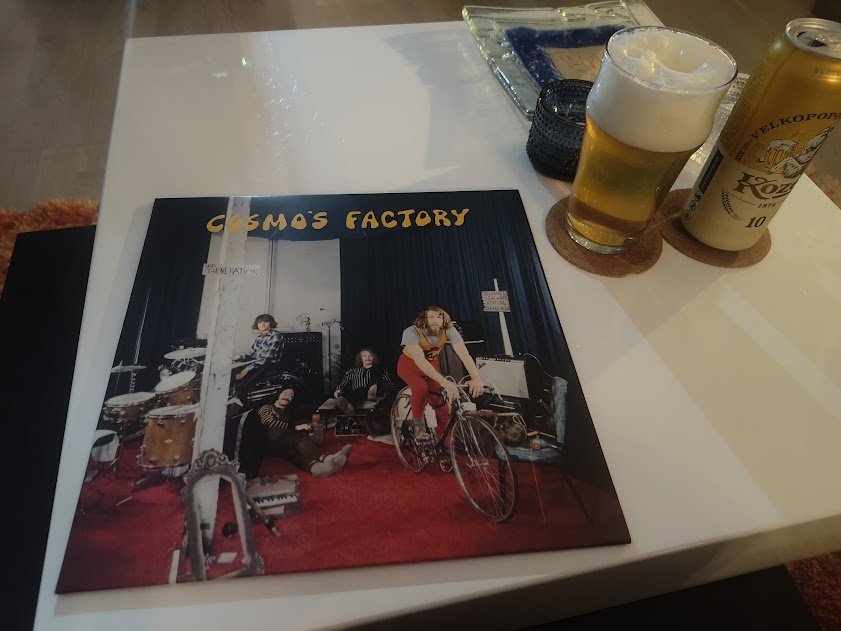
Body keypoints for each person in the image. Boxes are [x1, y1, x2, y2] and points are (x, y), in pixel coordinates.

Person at [397, 306, 484, 443]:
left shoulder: (449, 330)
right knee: (420, 388)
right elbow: (420, 360)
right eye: (431, 316)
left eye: (439, 316)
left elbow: (464, 354)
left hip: (431, 365)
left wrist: (476, 378)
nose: (435, 320)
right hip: (409, 365)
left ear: (444, 319)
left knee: (441, 402)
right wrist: (444, 382)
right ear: (423, 319)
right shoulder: (411, 331)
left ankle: (446, 443)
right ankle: (418, 427)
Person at [229, 387, 352, 479]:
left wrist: (333, 395)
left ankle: (316, 468)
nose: (287, 396)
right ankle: (327, 458)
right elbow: (269, 422)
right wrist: (295, 427)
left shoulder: (290, 411)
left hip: (283, 444)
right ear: (278, 395)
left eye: (291, 395)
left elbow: (311, 406)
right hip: (268, 442)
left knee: (293, 453)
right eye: (285, 393)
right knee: (295, 436)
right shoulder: (266, 408)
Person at [324, 348, 395, 415]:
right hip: (357, 394)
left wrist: (384, 392)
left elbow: (390, 385)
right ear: (361, 358)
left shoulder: (381, 371)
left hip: (376, 393)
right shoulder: (353, 371)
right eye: (364, 356)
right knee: (352, 393)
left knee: (377, 370)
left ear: (374, 358)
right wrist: (338, 391)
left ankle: (372, 390)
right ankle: (349, 408)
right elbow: (342, 384)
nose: (367, 358)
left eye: (370, 356)